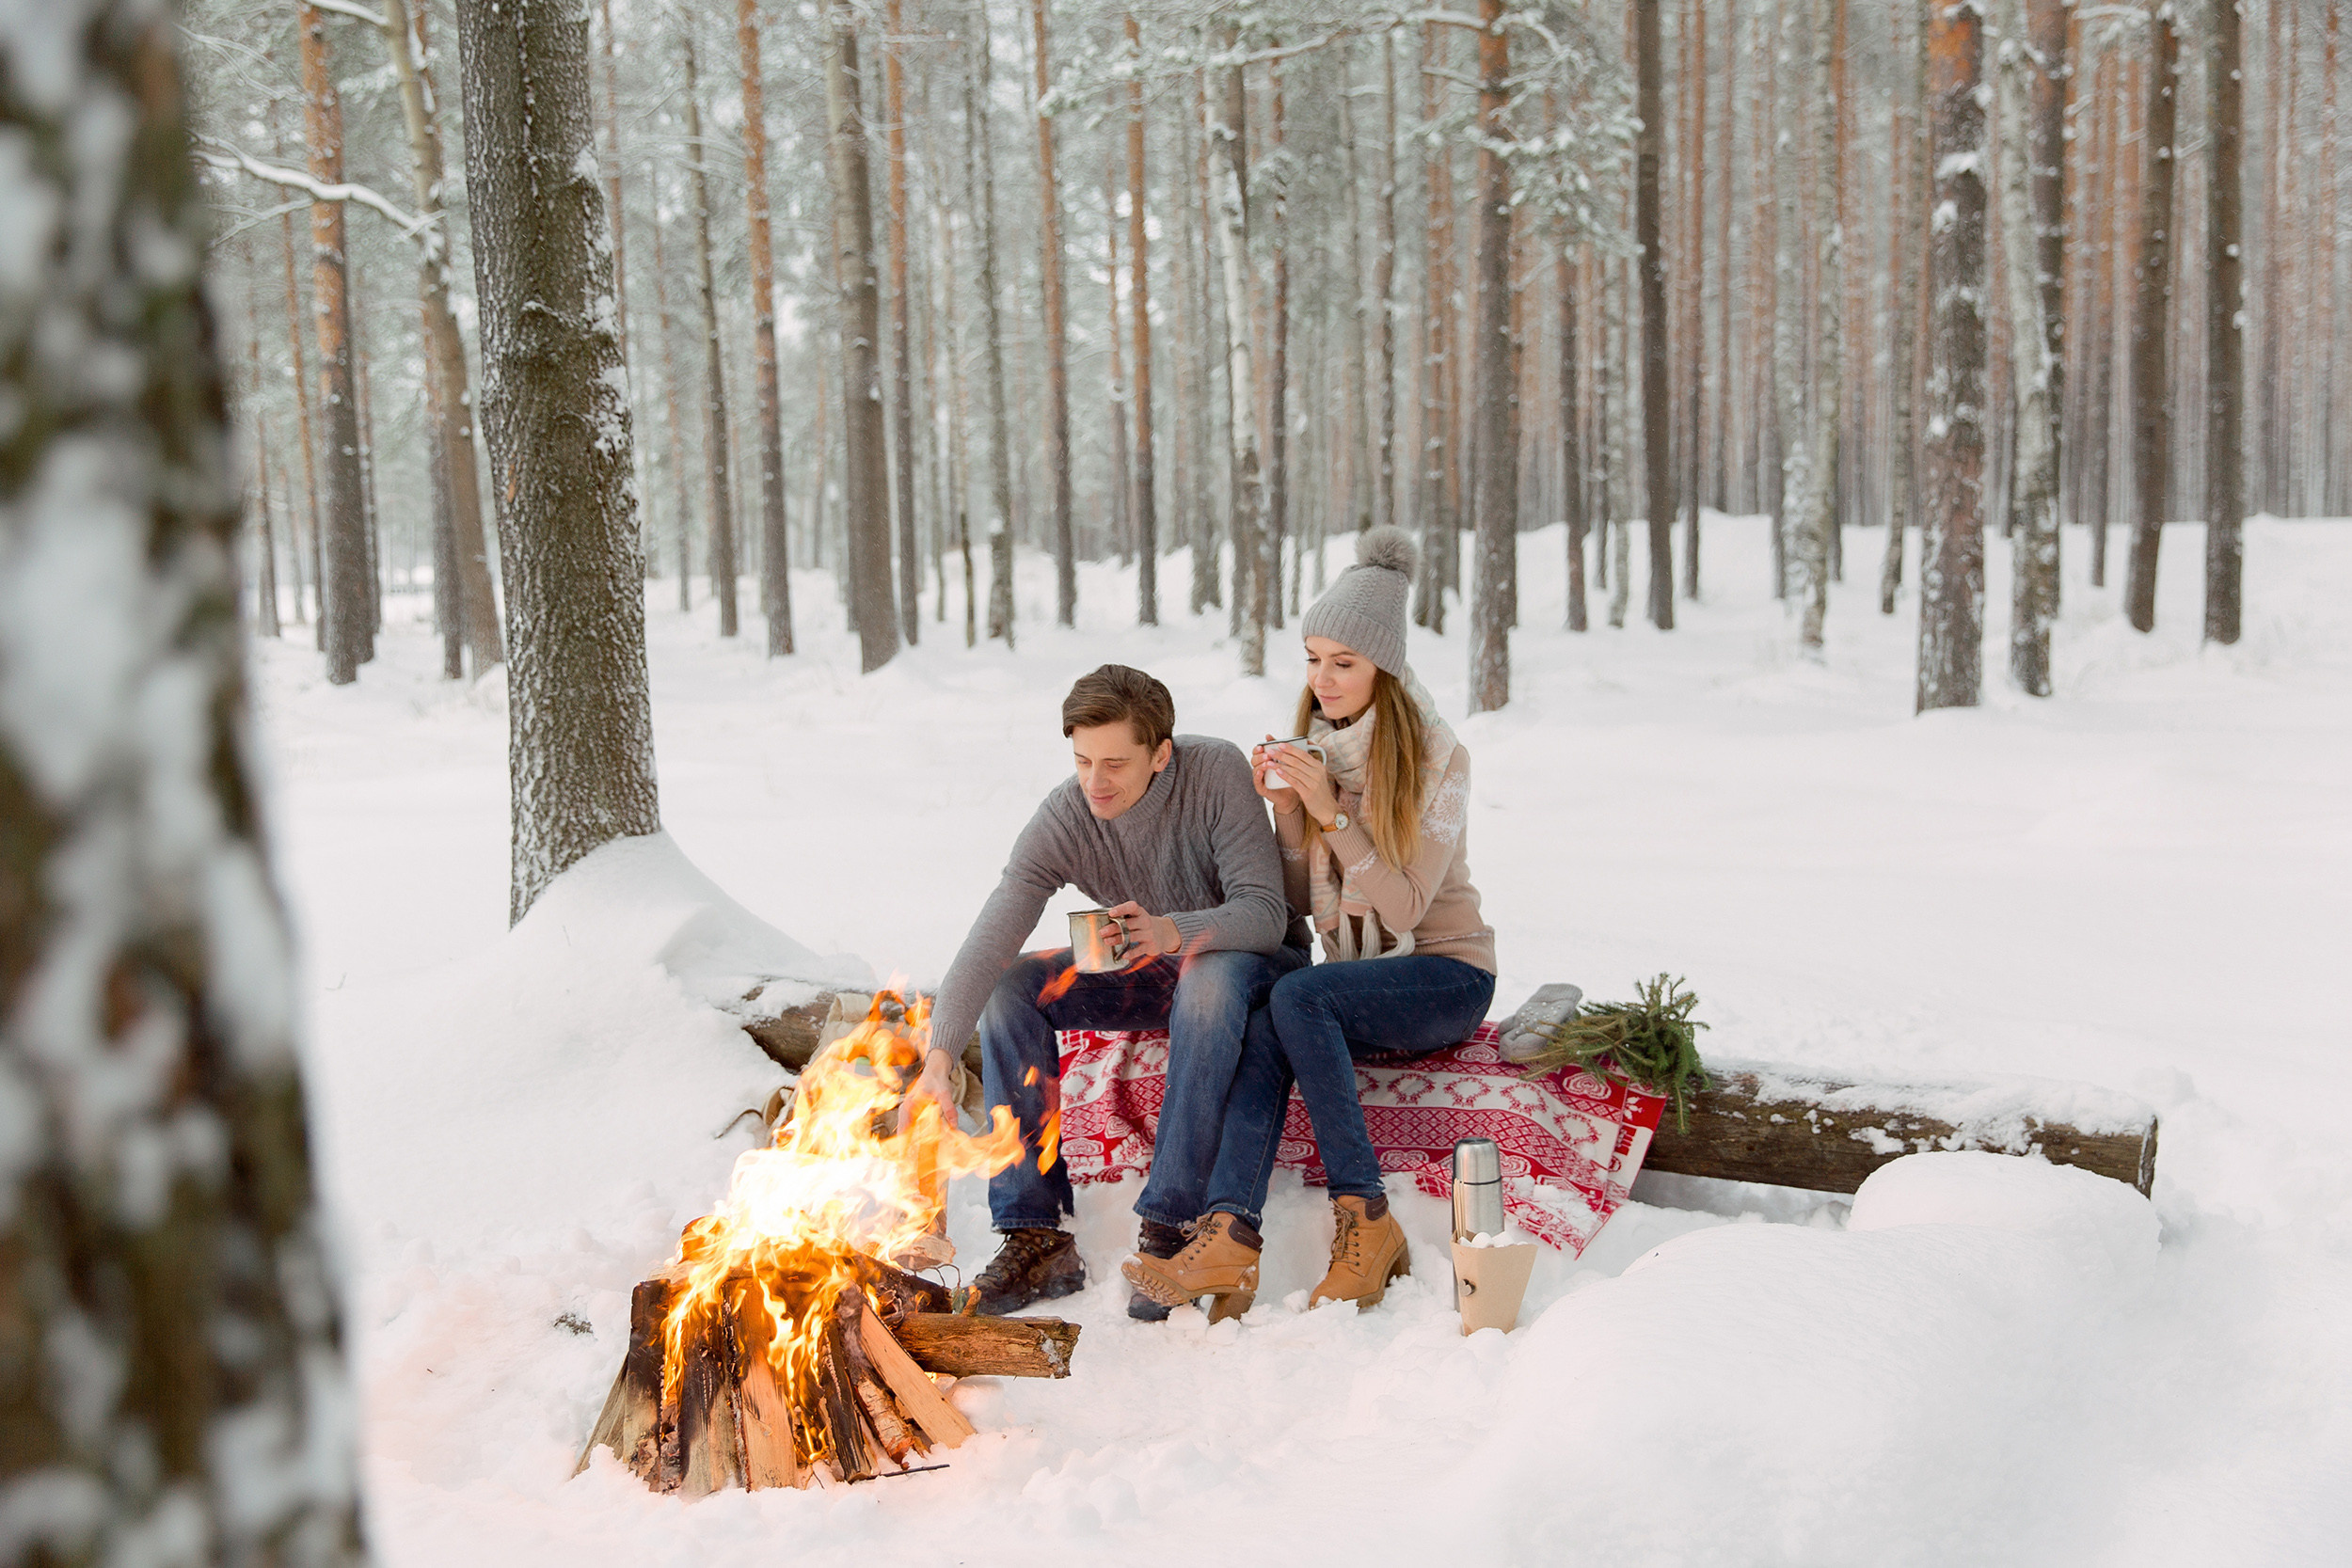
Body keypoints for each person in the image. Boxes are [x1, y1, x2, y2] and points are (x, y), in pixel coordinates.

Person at [1123, 528, 1496, 1321]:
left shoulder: (1441, 759)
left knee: (1300, 999)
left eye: (1344, 662)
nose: (1322, 679)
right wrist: (1290, 813)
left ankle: (1369, 1220)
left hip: (1447, 975)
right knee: (1272, 1014)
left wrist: (1332, 812)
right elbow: (1296, 901)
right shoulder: (1318, 748)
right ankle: (1230, 1237)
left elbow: (1404, 908)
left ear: (1384, 668)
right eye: (1313, 658)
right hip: (1356, 982)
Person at [911, 665, 1310, 1316]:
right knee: (1016, 986)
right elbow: (995, 929)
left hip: (1253, 963)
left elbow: (1265, 912)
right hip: (1154, 967)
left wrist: (1170, 929)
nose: (1095, 781)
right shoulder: (1070, 813)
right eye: (1082, 760)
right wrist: (938, 1058)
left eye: (1116, 764)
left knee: (1207, 974)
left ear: (1161, 754)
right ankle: (1035, 1233)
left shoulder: (1215, 772)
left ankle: (1169, 1227)